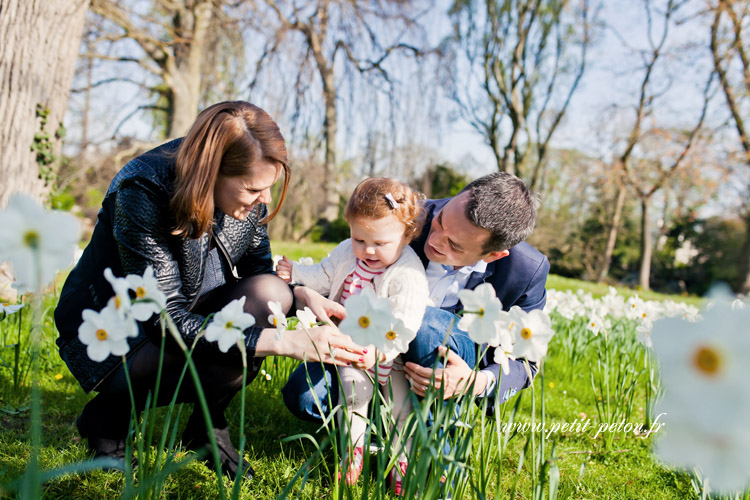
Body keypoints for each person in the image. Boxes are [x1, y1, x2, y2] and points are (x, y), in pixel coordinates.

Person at [54, 101, 366, 480]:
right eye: (254, 188)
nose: (264, 200)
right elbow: (163, 321)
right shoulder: (144, 191)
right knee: (257, 336)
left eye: (269, 187)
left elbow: (258, 273)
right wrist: (282, 342)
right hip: (114, 333)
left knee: (273, 295)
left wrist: (300, 293)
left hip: (187, 314)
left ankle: (205, 432)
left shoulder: (247, 200)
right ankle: (109, 416)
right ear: (211, 173)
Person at [282, 171, 549, 421]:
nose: (434, 240)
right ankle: (380, 422)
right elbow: (343, 268)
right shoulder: (406, 217)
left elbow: (526, 362)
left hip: (441, 365)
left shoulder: (525, 271)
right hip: (368, 349)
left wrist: (474, 382)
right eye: (441, 220)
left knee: (426, 321)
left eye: (454, 245)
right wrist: (303, 291)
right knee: (305, 397)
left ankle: (432, 432)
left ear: (493, 255)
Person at [275, 178, 431, 493]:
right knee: (353, 397)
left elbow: (406, 323)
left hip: (392, 355)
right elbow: (326, 273)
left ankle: (401, 461)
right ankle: (353, 450)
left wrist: (384, 352)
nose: (367, 250)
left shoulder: (409, 274)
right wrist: (298, 274)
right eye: (359, 239)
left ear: (407, 233)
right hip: (350, 343)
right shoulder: (348, 252)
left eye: (379, 243)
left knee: (401, 410)